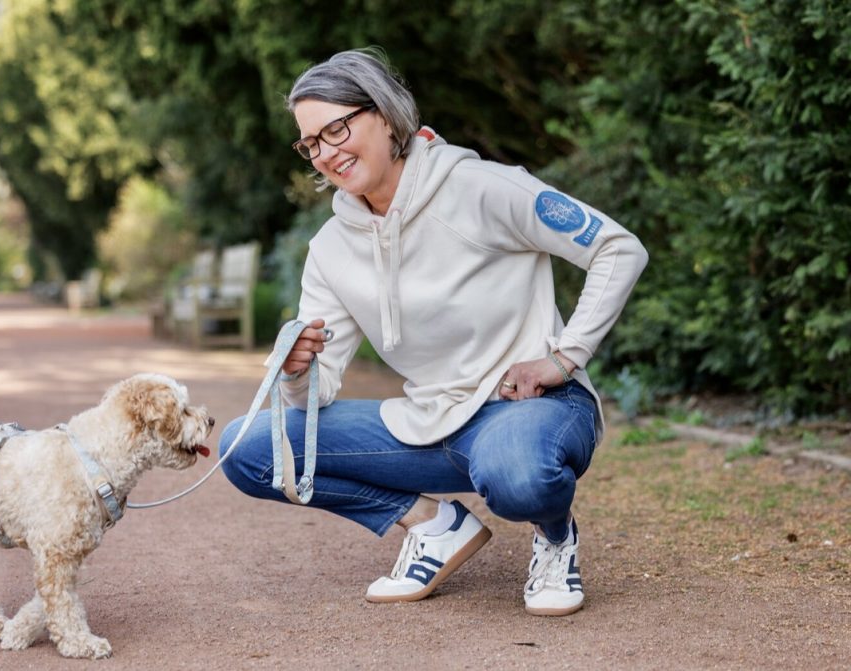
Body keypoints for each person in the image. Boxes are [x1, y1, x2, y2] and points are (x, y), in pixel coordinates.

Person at [219, 48, 647, 616]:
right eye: (310, 144)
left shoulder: (480, 186)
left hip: (530, 407)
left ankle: (554, 535)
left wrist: (564, 358)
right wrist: (298, 371)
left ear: (385, 116)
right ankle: (435, 525)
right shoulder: (330, 249)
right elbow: (313, 396)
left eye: (337, 129)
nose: (326, 153)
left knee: (519, 476)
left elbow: (618, 248)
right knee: (247, 448)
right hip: (429, 423)